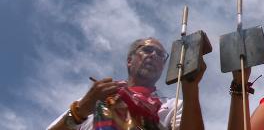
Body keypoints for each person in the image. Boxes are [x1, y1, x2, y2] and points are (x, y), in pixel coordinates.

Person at [47, 37, 206, 130]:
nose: (153, 56)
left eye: (160, 54)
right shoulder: (98, 97)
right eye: (147, 50)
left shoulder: (173, 106)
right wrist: (79, 111)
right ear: (129, 61)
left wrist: (190, 88)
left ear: (163, 66)